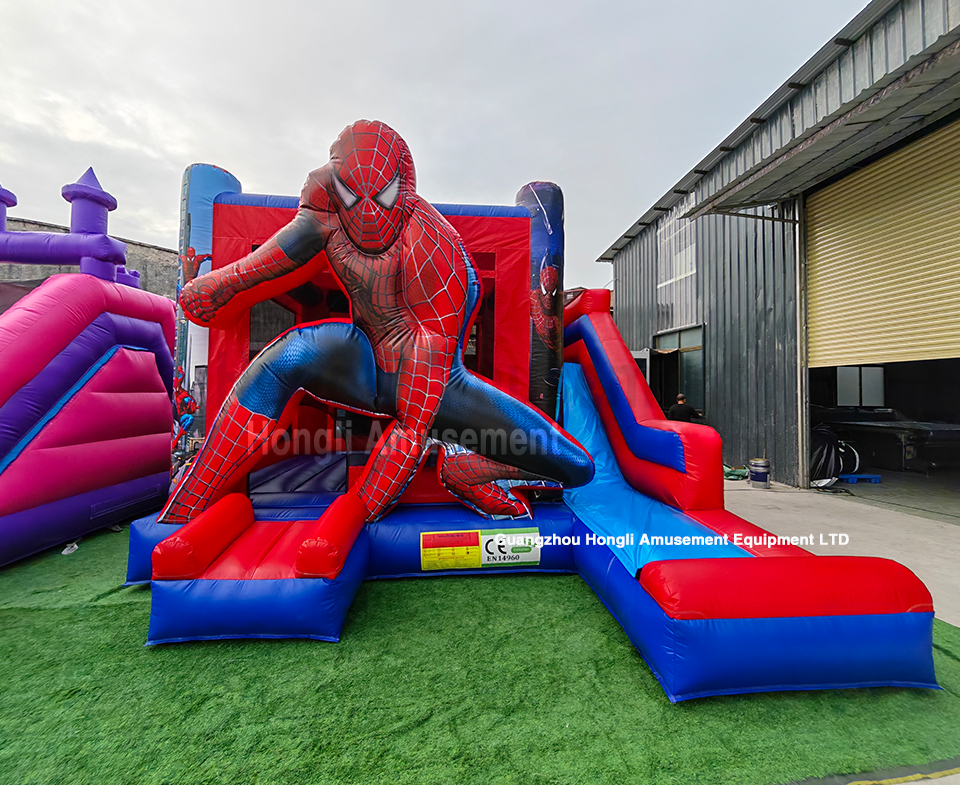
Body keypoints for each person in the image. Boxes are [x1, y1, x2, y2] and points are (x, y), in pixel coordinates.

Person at [160, 119, 594, 578]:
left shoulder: (433, 245)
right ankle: (190, 500)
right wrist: (222, 282)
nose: (367, 212)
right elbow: (292, 244)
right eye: (353, 195)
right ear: (336, 182)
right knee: (285, 356)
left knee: (576, 466)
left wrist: (356, 517)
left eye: (381, 196)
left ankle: (470, 468)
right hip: (364, 357)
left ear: (402, 187)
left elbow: (411, 425)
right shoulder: (325, 195)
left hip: (441, 383)